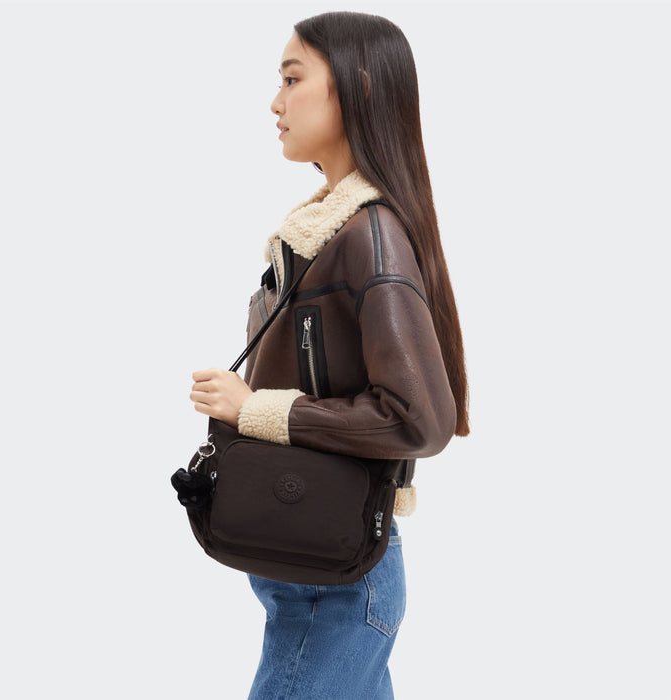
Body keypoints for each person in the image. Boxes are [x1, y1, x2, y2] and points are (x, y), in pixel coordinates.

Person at [188, 11, 469, 699]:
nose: (275, 102)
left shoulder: (369, 236)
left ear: (357, 87)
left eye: (292, 79)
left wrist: (257, 409)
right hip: (321, 564)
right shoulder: (328, 233)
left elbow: (418, 420)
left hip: (333, 583)